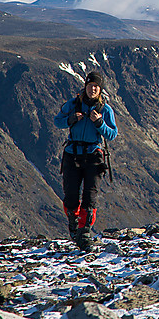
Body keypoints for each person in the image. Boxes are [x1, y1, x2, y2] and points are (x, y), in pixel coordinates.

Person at [54, 71, 118, 250]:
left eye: (96, 86)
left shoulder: (105, 110)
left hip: (93, 157)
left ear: (100, 89)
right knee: (71, 197)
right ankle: (74, 226)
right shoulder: (73, 104)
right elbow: (57, 121)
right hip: (72, 155)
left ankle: (84, 234)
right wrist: (71, 119)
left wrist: (100, 124)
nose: (93, 89)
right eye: (90, 86)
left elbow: (112, 134)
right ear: (86, 86)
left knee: (90, 198)